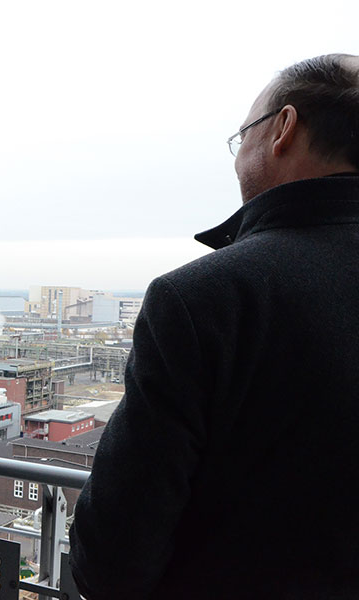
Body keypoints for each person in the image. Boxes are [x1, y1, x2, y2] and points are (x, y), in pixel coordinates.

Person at [68, 54, 359, 599]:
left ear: (283, 130)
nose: (236, 156)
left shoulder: (204, 298)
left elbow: (113, 557)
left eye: (241, 134)